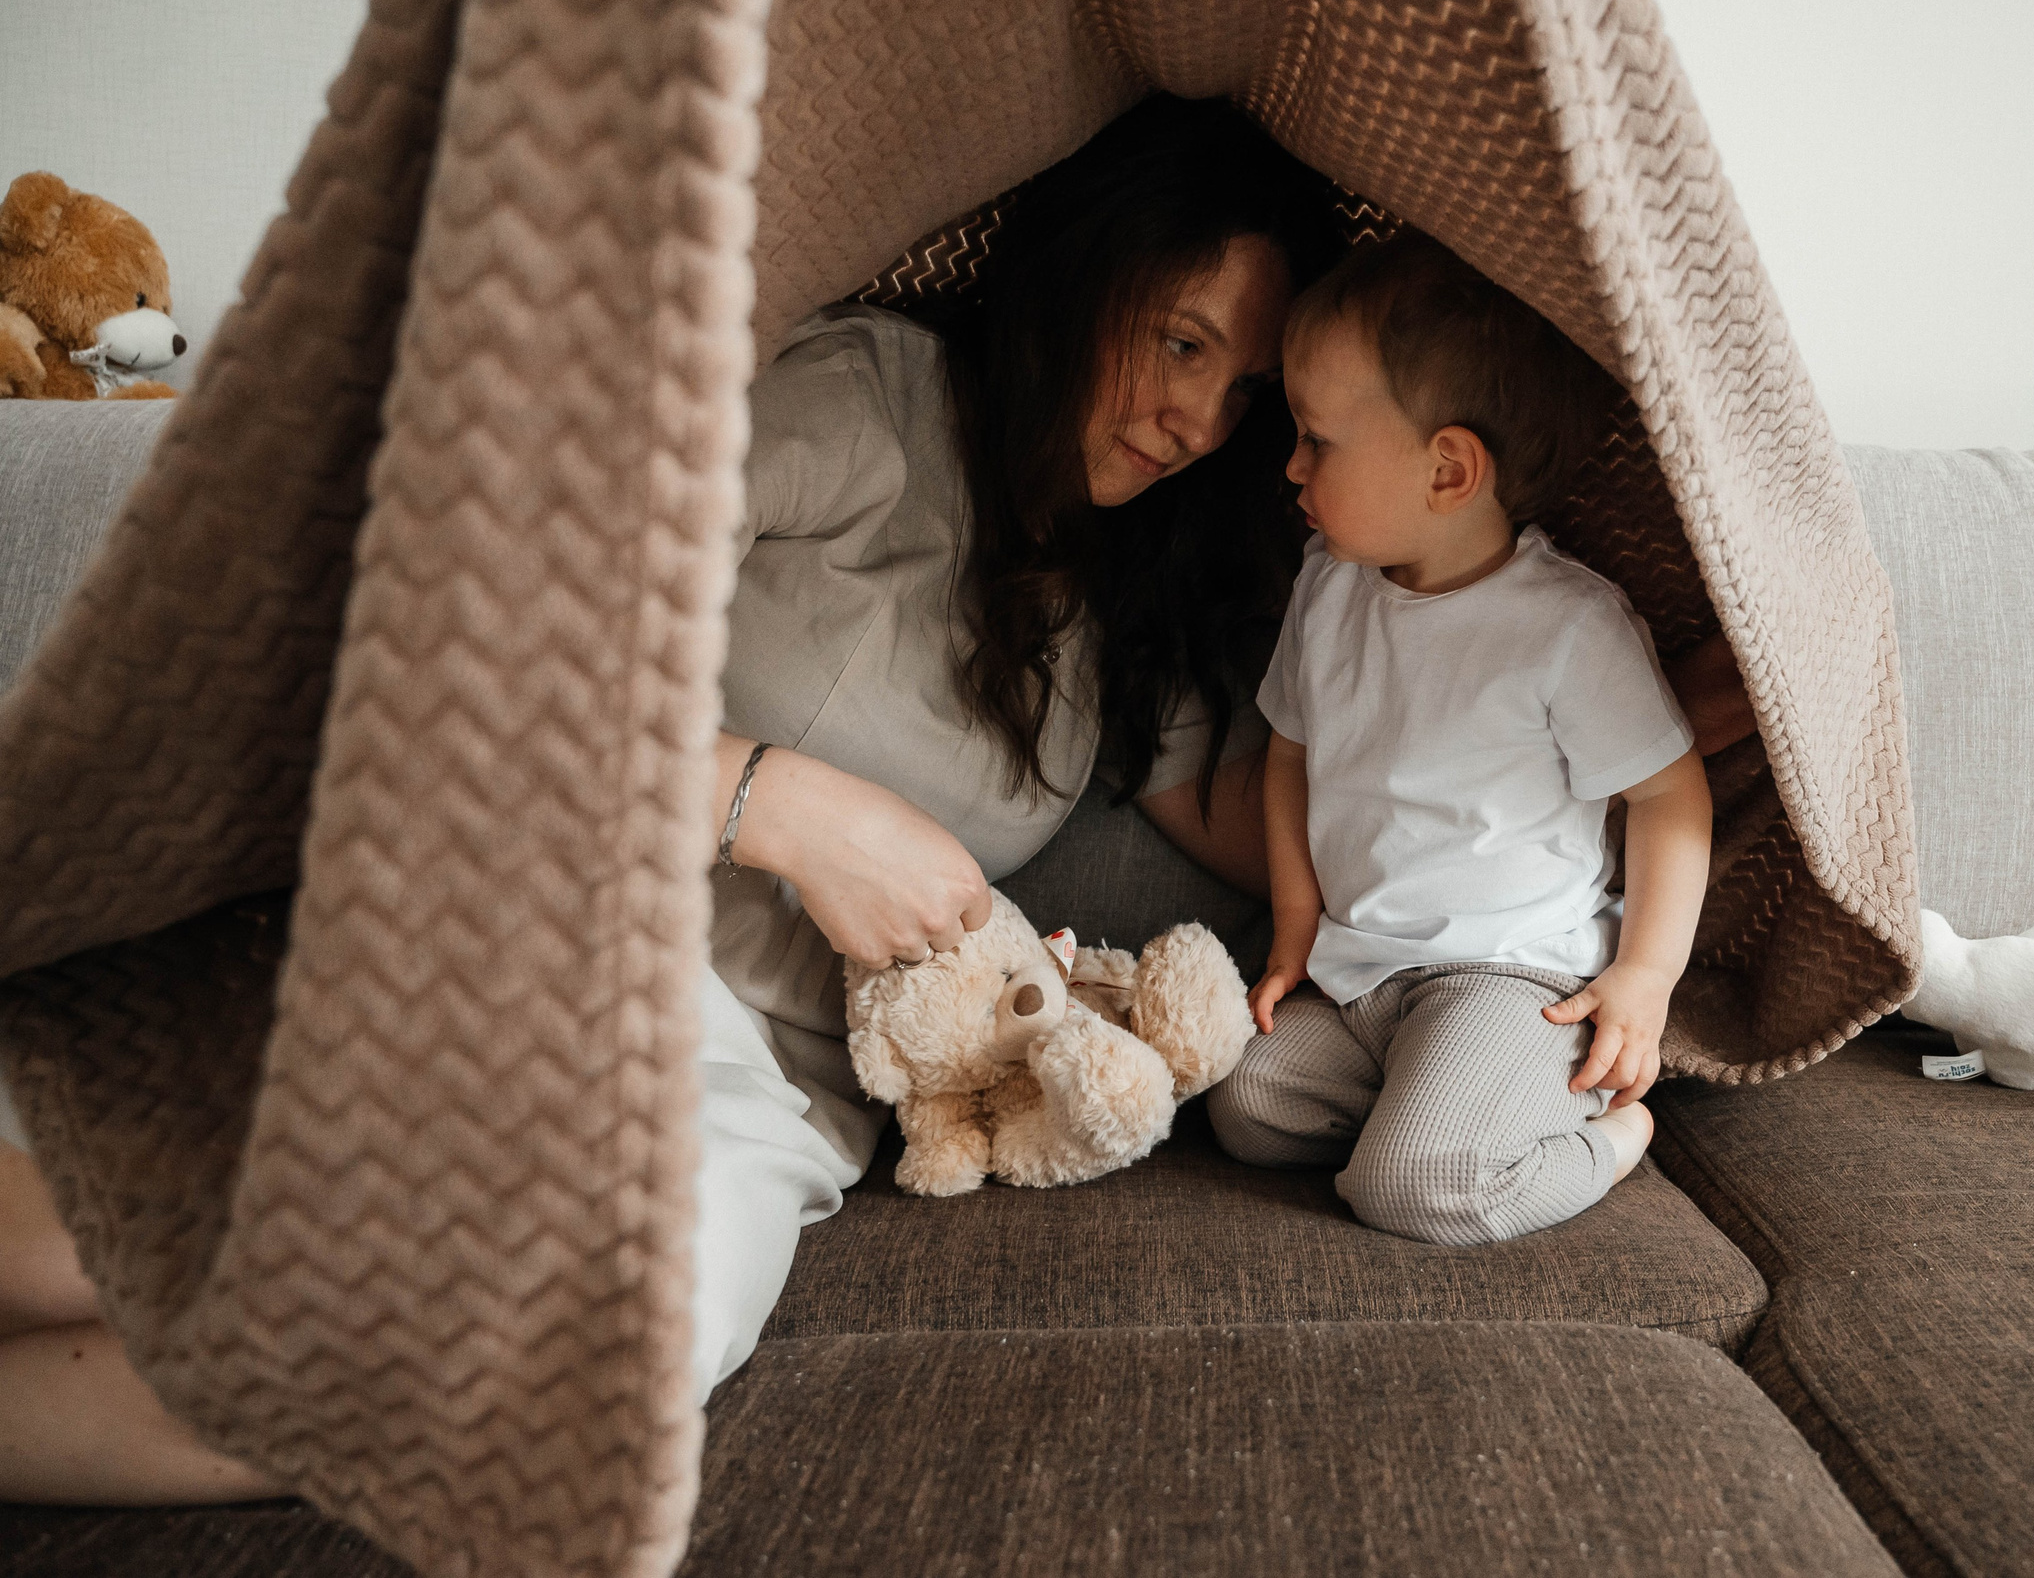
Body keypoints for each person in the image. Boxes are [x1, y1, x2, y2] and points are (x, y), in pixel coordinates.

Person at [0, 91, 1343, 1501]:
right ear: (1085, 278)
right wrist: (788, 809)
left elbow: (1292, 831)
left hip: (758, 1096)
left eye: (1245, 391)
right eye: (1181, 342)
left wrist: (1476, 683)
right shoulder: (863, 403)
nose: (1198, 419)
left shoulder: (1140, 594)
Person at [1205, 232, 1718, 1247]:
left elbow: (1669, 796)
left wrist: (1645, 977)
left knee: (1416, 1188)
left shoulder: (1567, 626)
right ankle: (1443, 1106)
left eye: (1318, 439)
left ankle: (1606, 1134)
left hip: (1506, 974)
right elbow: (1291, 753)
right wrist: (1297, 924)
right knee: (1245, 1102)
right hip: (1364, 975)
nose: (1290, 464)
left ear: (1447, 468)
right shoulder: (1329, 584)